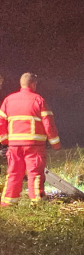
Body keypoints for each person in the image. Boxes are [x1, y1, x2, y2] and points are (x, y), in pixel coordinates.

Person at [0, 73, 61, 206]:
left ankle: (7, 203)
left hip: (14, 146)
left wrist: (5, 141)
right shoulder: (39, 100)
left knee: (13, 173)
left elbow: (1, 123)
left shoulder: (8, 100)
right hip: (34, 146)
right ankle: (37, 202)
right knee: (35, 174)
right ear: (33, 84)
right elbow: (48, 124)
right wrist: (55, 144)